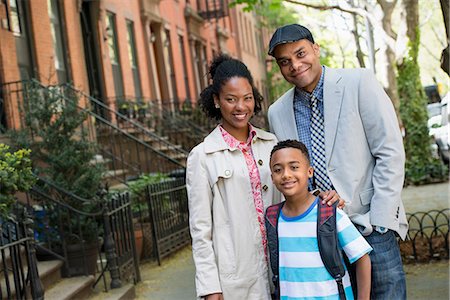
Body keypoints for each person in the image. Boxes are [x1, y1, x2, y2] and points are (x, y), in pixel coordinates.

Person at [267, 24, 408, 299]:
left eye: (300, 54)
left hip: (370, 224)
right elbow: (297, 172)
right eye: (285, 62)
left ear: (316, 49)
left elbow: (389, 151)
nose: (295, 65)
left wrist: (380, 220)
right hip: (320, 231)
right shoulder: (278, 112)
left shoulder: (359, 82)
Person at [186, 54, 341, 299]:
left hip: (285, 268)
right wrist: (210, 288)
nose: (241, 107)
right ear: (217, 101)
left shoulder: (270, 144)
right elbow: (200, 230)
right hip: (237, 278)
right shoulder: (202, 157)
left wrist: (320, 197)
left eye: (247, 98)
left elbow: (291, 194)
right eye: (231, 99)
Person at [267, 139, 372, 300]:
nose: (286, 174)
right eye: (278, 169)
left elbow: (362, 258)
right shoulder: (273, 218)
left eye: (294, 167)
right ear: (272, 177)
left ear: (309, 172)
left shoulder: (329, 213)